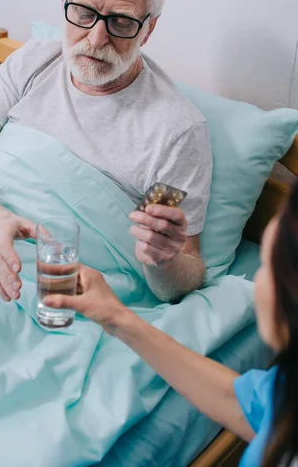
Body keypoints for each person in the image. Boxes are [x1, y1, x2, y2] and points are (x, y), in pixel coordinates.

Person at [0, 0, 212, 305]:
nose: (97, 39)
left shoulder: (175, 131)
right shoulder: (33, 62)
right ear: (64, 1)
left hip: (56, 294)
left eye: (121, 22)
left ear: (149, 28)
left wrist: (164, 260)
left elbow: (180, 274)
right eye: (83, 13)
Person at [44, 181, 298, 467]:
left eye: (267, 265)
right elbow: (241, 404)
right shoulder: (286, 388)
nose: (259, 280)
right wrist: (116, 317)